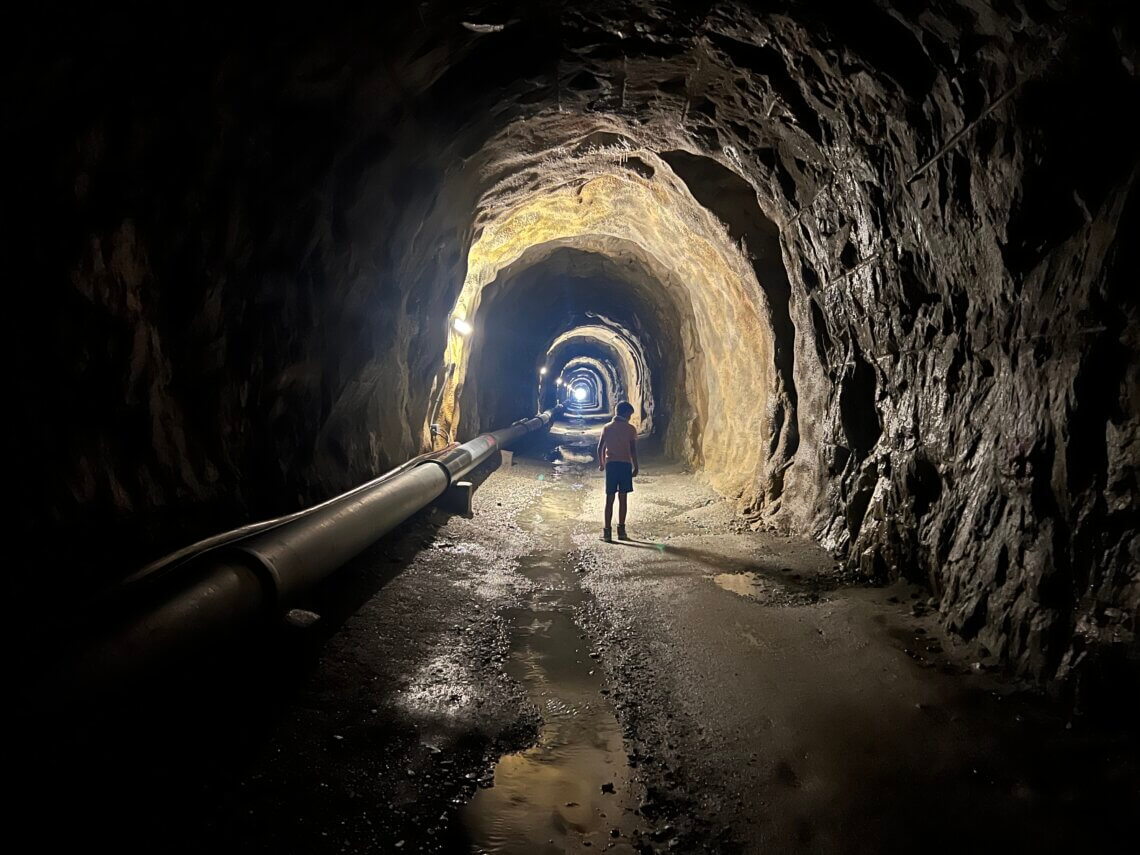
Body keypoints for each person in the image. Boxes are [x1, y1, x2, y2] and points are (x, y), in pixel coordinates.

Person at [597, 401, 639, 542]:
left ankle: (607, 532)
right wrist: (636, 466)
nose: (630, 417)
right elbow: (632, 450)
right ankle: (621, 531)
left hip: (612, 466)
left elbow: (600, 448)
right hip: (625, 465)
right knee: (623, 499)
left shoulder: (607, 428)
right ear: (626, 413)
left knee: (610, 499)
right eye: (630, 415)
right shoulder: (631, 429)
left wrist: (602, 463)